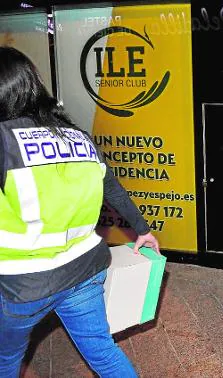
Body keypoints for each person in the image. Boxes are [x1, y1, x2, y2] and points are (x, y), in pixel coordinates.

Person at [0, 47, 159, 377]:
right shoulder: (77, 136)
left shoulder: (4, 140)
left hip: (23, 285)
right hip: (84, 271)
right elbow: (112, 187)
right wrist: (142, 229)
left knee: (6, 359)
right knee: (102, 351)